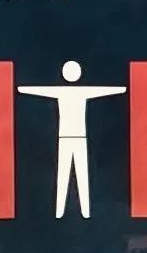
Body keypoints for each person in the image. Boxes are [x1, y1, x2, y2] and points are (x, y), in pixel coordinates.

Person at [36, 61, 125, 218]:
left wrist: (121, 89)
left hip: (75, 139)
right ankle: (63, 212)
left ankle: (81, 212)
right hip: (68, 139)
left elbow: (105, 91)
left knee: (77, 176)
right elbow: (40, 90)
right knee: (66, 175)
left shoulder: (72, 91)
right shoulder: (72, 91)